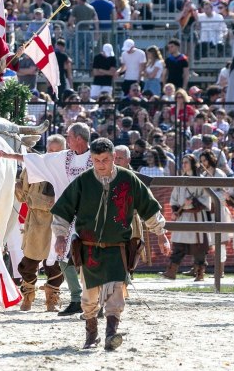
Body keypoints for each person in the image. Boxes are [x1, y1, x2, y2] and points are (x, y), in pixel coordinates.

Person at [52, 138, 171, 350]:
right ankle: (91, 334)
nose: (100, 165)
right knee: (89, 298)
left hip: (118, 249)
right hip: (89, 248)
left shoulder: (129, 179)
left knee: (116, 296)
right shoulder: (83, 181)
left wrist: (161, 234)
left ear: (114, 157)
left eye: (105, 159)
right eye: (96, 160)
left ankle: (111, 334)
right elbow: (63, 211)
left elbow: (149, 208)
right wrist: (60, 237)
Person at [0, 122, 91, 315]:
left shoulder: (95, 158)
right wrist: (7, 156)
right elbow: (34, 162)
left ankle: (90, 299)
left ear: (78, 139)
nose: (52, 153)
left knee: (84, 260)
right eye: (49, 150)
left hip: (86, 217)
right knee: (44, 261)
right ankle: (63, 298)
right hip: (47, 221)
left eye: (68, 137)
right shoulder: (61, 160)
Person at [164, 154, 211, 281]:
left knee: (199, 248)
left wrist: (194, 202)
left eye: (186, 162)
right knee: (178, 246)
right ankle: (171, 271)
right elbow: (174, 198)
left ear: (192, 164)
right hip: (182, 217)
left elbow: (207, 199)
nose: (184, 164)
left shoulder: (200, 179)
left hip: (196, 217)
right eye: (183, 162)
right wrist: (175, 210)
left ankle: (200, 273)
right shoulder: (180, 180)